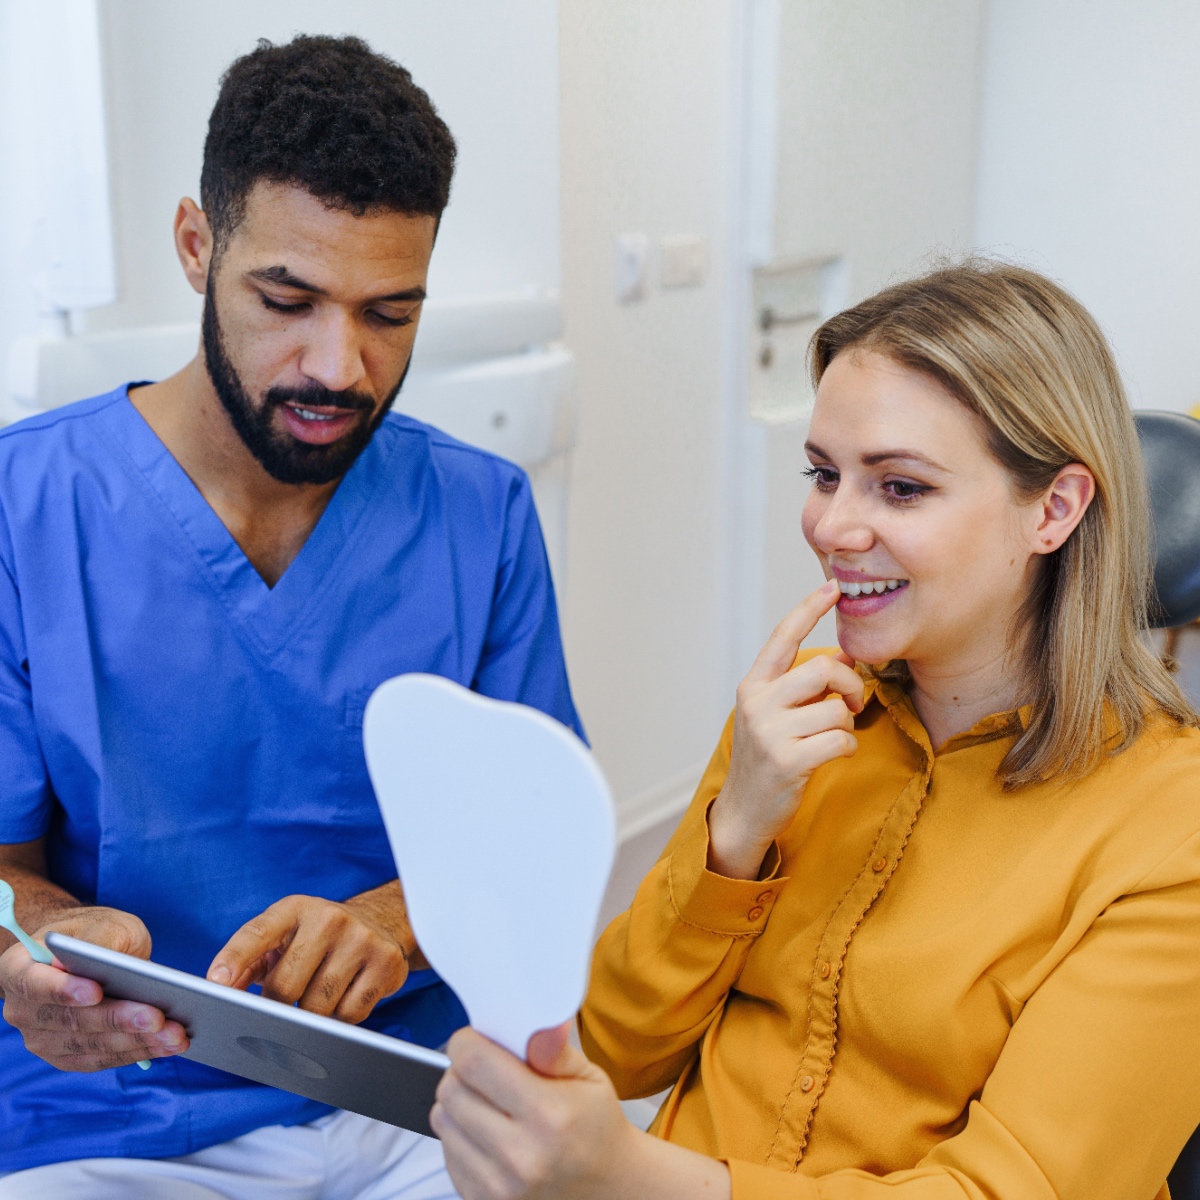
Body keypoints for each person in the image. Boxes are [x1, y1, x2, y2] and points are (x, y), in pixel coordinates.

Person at [429, 262, 1200, 1200]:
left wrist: (625, 1174)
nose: (833, 526)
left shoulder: (1171, 828)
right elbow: (618, 1050)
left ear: (1055, 509)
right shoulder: (795, 721)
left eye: (901, 488)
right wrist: (736, 829)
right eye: (824, 475)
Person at [0, 34, 580, 1199]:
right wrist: (37, 952)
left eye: (390, 314)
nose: (341, 366)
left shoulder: (481, 514)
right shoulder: (29, 509)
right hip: (114, 1109)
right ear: (195, 245)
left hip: (417, 1094)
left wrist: (394, 921)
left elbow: (531, 843)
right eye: (288, 299)